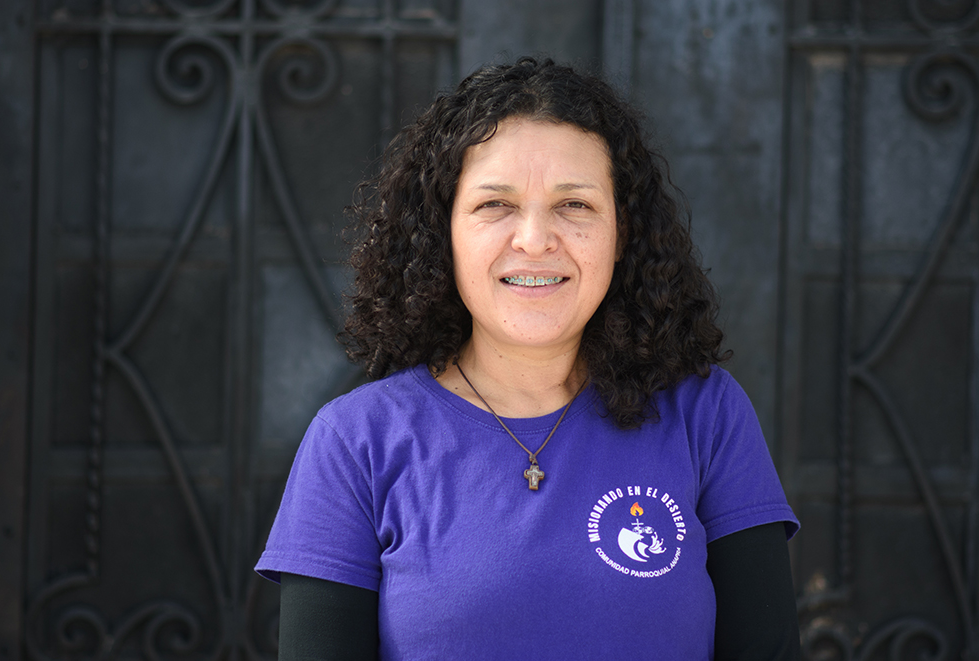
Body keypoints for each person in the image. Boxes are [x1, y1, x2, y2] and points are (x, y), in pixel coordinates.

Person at [256, 56, 801, 660]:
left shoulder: (706, 415)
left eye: (575, 204)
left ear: (622, 234)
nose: (535, 239)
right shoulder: (355, 441)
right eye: (495, 204)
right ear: (444, 233)